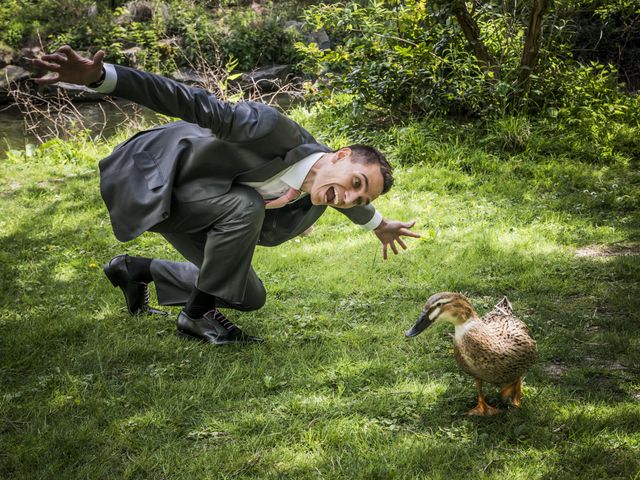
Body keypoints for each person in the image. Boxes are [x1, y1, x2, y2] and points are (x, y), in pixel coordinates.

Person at [33, 46, 420, 345]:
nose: (348, 198)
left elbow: (350, 197)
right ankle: (195, 317)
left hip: (203, 208)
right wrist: (102, 76)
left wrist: (378, 223)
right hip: (157, 178)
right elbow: (186, 100)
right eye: (355, 183)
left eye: (359, 199)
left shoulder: (323, 191)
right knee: (245, 204)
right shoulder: (270, 129)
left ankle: (136, 270)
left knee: (247, 296)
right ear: (340, 155)